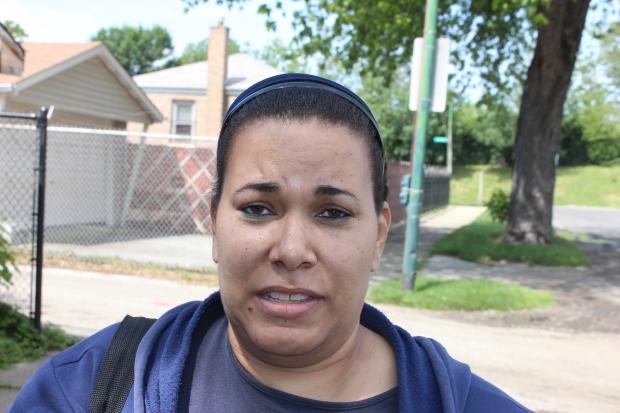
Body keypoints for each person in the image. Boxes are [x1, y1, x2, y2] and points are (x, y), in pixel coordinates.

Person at [9, 74, 532, 412]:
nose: (291, 249)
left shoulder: (466, 405)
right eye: (258, 208)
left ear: (378, 235)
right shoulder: (84, 390)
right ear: (213, 222)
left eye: (333, 213)